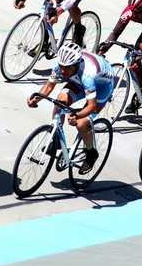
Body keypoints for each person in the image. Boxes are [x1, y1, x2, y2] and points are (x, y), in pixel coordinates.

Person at [26, 42, 115, 174]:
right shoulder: (60, 65)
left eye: (67, 68)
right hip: (78, 80)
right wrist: (36, 98)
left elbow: (91, 106)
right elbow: (49, 86)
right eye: (61, 66)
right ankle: (56, 139)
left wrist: (77, 116)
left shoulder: (87, 75)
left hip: (102, 86)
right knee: (59, 102)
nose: (63, 71)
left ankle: (91, 153)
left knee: (81, 124)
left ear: (76, 64)